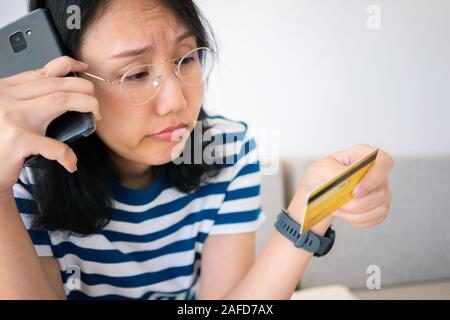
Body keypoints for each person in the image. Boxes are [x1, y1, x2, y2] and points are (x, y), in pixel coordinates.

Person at [0, 0, 394, 299]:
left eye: (186, 58)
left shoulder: (225, 149)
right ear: (65, 82)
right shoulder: (24, 174)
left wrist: (311, 209)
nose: (176, 101)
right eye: (136, 73)